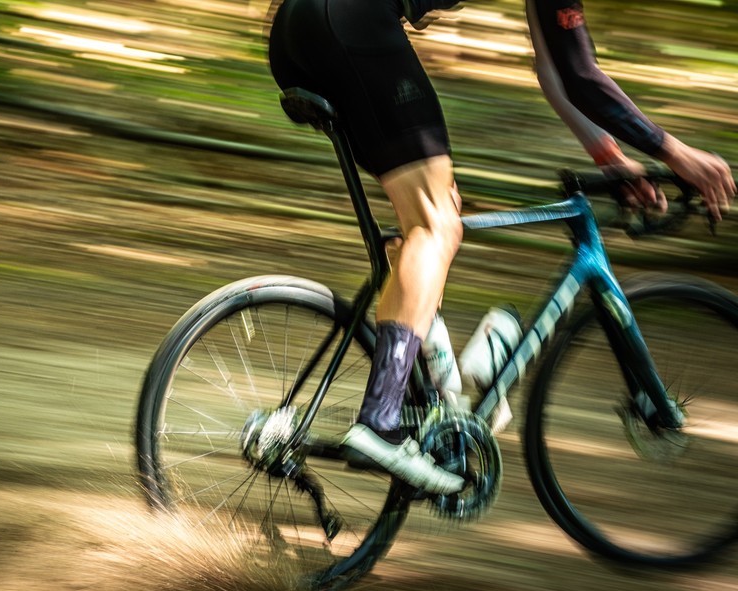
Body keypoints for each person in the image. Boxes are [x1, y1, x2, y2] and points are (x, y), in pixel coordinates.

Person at [267, 0, 736, 494]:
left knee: (433, 208)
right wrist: (678, 153)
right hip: (350, 21)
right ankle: (381, 420)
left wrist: (610, 157)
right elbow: (579, 75)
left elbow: (553, 69)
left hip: (297, 31)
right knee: (435, 225)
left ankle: (434, 388)